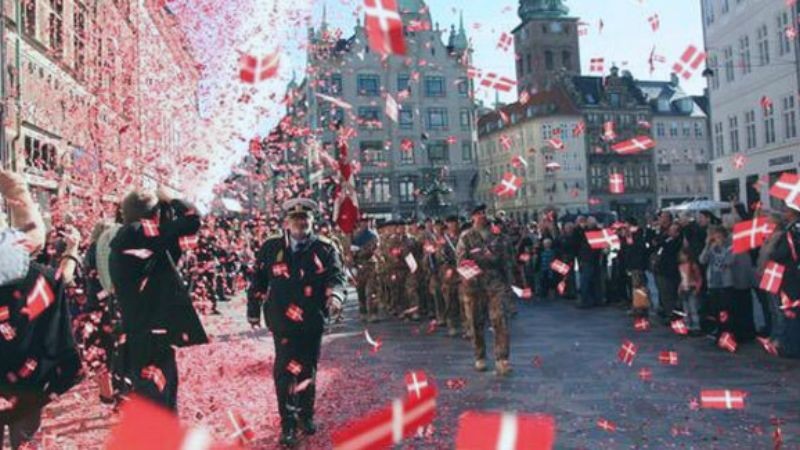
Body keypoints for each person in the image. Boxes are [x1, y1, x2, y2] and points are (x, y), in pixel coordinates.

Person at [247, 198, 346, 447]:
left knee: (307, 369)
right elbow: (258, 279)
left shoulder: (324, 248)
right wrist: (253, 310)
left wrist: (334, 296)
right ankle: (288, 423)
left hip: (312, 320)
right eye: (295, 220)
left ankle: (306, 415)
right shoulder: (271, 247)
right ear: (287, 223)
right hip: (282, 321)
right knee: (284, 372)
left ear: (312, 221)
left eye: (305, 220)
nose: (300, 224)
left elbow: (336, 276)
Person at [1, 168, 82, 450]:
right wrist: (72, 251)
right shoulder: (38, 277)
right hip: (25, 384)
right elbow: (63, 279)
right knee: (25, 440)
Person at [109, 188, 206, 412]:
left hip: (146, 332)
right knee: (157, 403)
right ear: (152, 215)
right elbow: (193, 220)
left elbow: (175, 245)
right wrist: (171, 199)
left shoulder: (130, 238)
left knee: (163, 397)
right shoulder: (138, 232)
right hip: (148, 336)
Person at [456, 204, 512, 376]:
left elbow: (507, 261)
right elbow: (460, 261)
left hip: (495, 284)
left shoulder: (498, 236)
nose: (481, 216)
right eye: (478, 214)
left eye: (483, 213)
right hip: (474, 286)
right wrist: (474, 272)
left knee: (499, 319)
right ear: (473, 217)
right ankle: (479, 356)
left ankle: (502, 359)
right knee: (475, 322)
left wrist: (509, 284)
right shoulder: (466, 237)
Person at [699, 225, 734, 337]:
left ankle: (727, 330)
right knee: (715, 308)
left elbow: (729, 261)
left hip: (725, 283)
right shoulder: (711, 248)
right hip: (713, 282)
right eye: (715, 237)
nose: (717, 239)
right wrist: (707, 245)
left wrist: (721, 249)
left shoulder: (730, 248)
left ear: (724, 237)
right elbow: (702, 260)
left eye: (719, 237)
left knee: (726, 309)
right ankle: (718, 329)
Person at [352, 216, 379, 322]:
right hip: (359, 266)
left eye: (366, 222)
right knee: (360, 291)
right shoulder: (355, 236)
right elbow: (352, 250)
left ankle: (373, 313)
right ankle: (363, 312)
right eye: (362, 222)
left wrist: (360, 251)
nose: (364, 224)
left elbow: (372, 248)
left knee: (372, 291)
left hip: (370, 265)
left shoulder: (373, 235)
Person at [677, 248, 703, 335]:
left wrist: (697, 288)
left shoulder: (692, 265)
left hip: (692, 288)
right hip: (684, 288)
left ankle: (696, 326)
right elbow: (682, 278)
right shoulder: (681, 266)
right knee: (686, 309)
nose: (681, 257)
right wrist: (680, 287)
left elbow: (698, 277)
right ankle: (688, 325)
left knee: (693, 308)